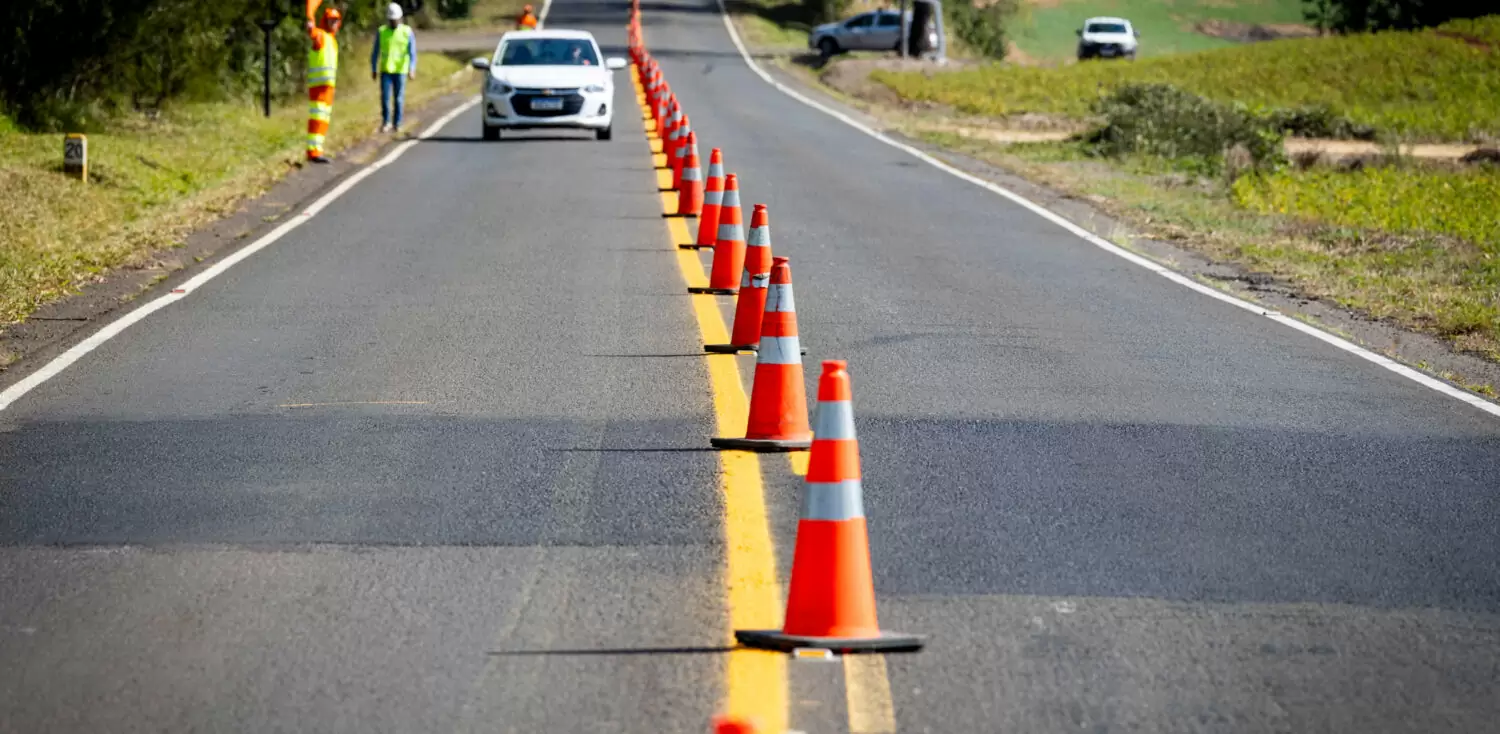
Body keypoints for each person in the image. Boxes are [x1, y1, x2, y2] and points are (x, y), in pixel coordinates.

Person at [305, 6, 342, 163]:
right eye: (330, 20)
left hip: (328, 87)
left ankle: (317, 150)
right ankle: (313, 152)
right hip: (319, 86)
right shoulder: (321, 35)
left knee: (323, 119)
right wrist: (310, 19)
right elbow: (312, 33)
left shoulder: (332, 40)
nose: (333, 23)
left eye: (335, 21)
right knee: (318, 118)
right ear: (325, 21)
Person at [372, 2, 416, 133]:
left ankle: (398, 123)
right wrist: (373, 68)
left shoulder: (407, 32)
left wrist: (411, 68)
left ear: (400, 18)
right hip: (386, 69)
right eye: (391, 20)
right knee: (385, 98)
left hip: (400, 70)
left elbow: (412, 52)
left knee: (398, 99)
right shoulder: (382, 31)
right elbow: (375, 52)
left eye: (395, 20)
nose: (393, 22)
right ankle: (386, 122)